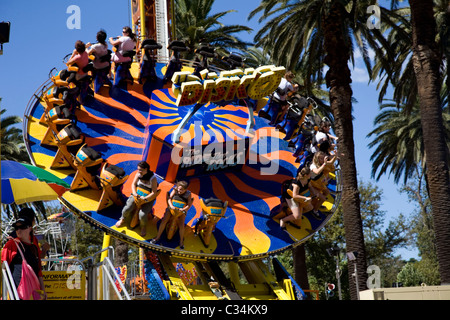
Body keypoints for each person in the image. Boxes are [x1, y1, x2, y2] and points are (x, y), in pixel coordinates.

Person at [1, 217, 47, 300]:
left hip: (34, 292)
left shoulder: (34, 248)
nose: (19, 230)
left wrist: (43, 290)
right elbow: (3, 266)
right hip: (17, 292)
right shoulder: (11, 244)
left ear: (30, 228)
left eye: (22, 227)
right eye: (16, 228)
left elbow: (38, 271)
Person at [115, 161, 158, 237]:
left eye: (141, 170)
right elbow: (133, 184)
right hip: (137, 194)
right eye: (138, 169)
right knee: (127, 208)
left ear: (146, 169)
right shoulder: (138, 174)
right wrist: (134, 193)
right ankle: (122, 218)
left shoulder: (152, 178)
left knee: (142, 214)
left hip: (147, 197)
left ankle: (143, 226)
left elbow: (154, 192)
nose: (139, 171)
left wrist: (145, 198)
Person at [152, 181, 192, 249]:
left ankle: (181, 241)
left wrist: (184, 209)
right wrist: (171, 206)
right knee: (164, 221)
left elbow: (189, 204)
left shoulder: (188, 194)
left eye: (182, 190)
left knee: (181, 225)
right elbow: (169, 198)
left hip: (181, 210)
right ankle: (157, 237)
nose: (179, 191)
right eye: (179, 189)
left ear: (185, 190)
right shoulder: (175, 190)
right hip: (172, 208)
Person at [309, 151, 336, 216]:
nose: (322, 160)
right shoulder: (313, 165)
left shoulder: (322, 163)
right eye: (321, 158)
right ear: (317, 159)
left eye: (323, 158)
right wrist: (324, 164)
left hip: (319, 183)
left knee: (327, 192)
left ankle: (318, 204)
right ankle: (315, 211)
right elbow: (317, 171)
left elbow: (331, 162)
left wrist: (336, 155)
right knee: (323, 198)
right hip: (312, 185)